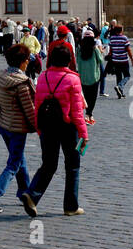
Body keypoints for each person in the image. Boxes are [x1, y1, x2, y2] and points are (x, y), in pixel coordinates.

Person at [26, 44, 89, 217]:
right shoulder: (73, 79)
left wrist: (39, 127)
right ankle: (70, 206)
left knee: (48, 164)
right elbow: (77, 113)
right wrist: (84, 134)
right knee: (73, 166)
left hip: (47, 125)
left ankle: (31, 195)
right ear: (69, 61)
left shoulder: (43, 77)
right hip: (68, 127)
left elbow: (37, 105)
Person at [0, 40, 38, 215]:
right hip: (18, 128)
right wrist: (39, 128)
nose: (28, 61)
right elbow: (30, 111)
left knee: (19, 158)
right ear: (23, 61)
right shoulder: (22, 83)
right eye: (27, 59)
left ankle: (24, 193)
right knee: (14, 162)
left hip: (3, 124)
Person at [76, 26, 105, 124]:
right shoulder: (94, 48)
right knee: (92, 97)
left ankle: (88, 114)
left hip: (82, 77)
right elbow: (101, 60)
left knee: (85, 96)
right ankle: (89, 114)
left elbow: (77, 61)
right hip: (94, 77)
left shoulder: (79, 49)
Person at [107, 25, 133, 98]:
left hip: (115, 60)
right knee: (127, 76)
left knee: (118, 76)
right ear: (121, 30)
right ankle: (120, 86)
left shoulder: (112, 38)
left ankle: (120, 93)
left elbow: (110, 50)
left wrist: (110, 58)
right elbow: (128, 50)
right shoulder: (124, 38)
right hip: (124, 60)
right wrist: (132, 59)